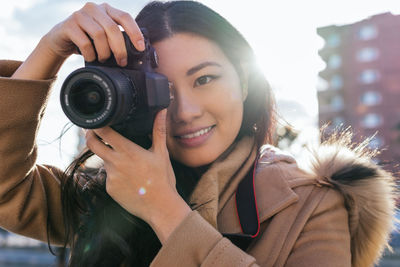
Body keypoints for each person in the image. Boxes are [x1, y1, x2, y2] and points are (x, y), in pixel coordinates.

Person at [0, 1, 397, 266]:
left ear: (244, 82)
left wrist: (162, 209)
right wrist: (50, 49)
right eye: (162, 89)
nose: (186, 112)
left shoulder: (313, 204)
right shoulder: (109, 194)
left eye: (205, 78)